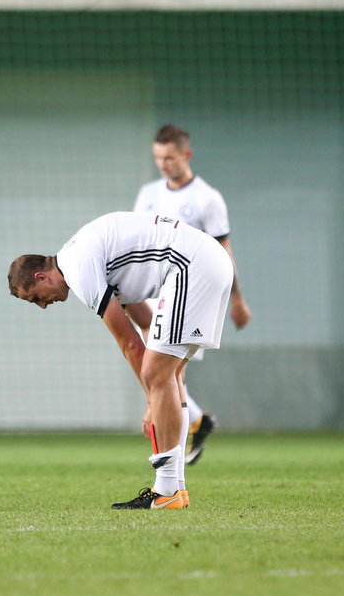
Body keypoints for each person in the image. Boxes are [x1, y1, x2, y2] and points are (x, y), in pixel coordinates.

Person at [9, 211, 232, 509]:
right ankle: (173, 490)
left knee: (157, 374)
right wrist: (157, 391)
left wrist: (152, 399)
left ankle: (167, 492)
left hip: (193, 267)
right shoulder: (88, 257)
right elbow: (146, 324)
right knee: (168, 375)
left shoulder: (78, 269)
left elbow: (129, 343)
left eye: (34, 297)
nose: (41, 306)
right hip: (206, 262)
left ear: (41, 276)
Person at [132, 124, 252, 465]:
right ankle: (194, 424)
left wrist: (237, 299)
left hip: (189, 293)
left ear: (186, 155)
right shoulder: (148, 194)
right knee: (158, 371)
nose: (163, 164)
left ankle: (179, 443)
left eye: (169, 157)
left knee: (169, 372)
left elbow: (223, 251)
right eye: (158, 158)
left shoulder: (207, 199)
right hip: (153, 292)